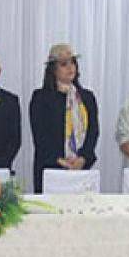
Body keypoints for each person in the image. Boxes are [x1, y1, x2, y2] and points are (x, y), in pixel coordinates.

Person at [29, 43, 99, 193]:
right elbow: (40, 136)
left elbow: (93, 132)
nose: (70, 67)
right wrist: (61, 161)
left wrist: (82, 159)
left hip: (81, 169)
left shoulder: (87, 97)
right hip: (51, 169)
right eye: (63, 64)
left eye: (72, 62)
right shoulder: (40, 98)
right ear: (53, 69)